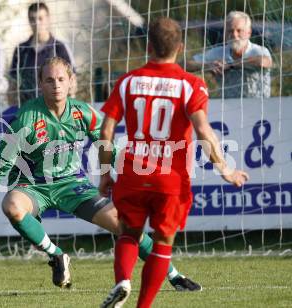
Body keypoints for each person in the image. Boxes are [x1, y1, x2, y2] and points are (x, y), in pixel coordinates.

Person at [0, 57, 201, 292]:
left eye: (61, 79)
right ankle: (57, 255)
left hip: (72, 184)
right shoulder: (26, 119)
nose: (56, 85)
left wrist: (147, 171)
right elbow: (0, 167)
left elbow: (108, 149)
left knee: (126, 226)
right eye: (50, 80)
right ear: (40, 84)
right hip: (32, 187)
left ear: (71, 82)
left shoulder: (83, 113)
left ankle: (174, 276)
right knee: (11, 205)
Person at [99, 17, 249, 308]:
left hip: (132, 172)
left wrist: (105, 173)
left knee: (129, 232)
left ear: (148, 46)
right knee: (163, 243)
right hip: (170, 179)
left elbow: (106, 131)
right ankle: (143, 306)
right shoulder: (190, 84)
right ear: (180, 48)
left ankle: (122, 280)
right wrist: (225, 170)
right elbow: (203, 130)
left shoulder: (128, 81)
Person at [186, 11, 272, 98]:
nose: (234, 35)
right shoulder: (218, 52)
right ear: (225, 33)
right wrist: (208, 66)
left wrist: (231, 65)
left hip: (258, 107)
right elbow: (184, 64)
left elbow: (264, 62)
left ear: (249, 32)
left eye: (239, 30)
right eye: (230, 31)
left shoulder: (259, 51)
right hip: (228, 107)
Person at [9, 2, 76, 105]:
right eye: (32, 19)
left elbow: (72, 82)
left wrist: (68, 107)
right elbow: (12, 85)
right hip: (28, 110)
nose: (36, 23)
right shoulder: (21, 50)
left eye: (40, 18)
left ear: (48, 19)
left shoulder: (59, 47)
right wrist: (15, 110)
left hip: (55, 110)